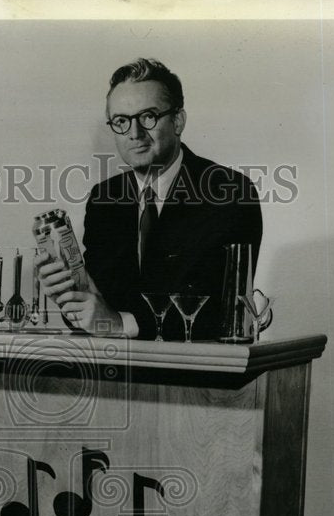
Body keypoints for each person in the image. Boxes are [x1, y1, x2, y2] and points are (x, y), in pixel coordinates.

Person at [38, 57, 262, 341]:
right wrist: (72, 296)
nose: (134, 133)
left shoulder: (229, 192)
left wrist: (119, 323)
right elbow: (101, 310)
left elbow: (218, 311)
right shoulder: (105, 199)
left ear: (177, 121)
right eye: (121, 121)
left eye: (148, 117)